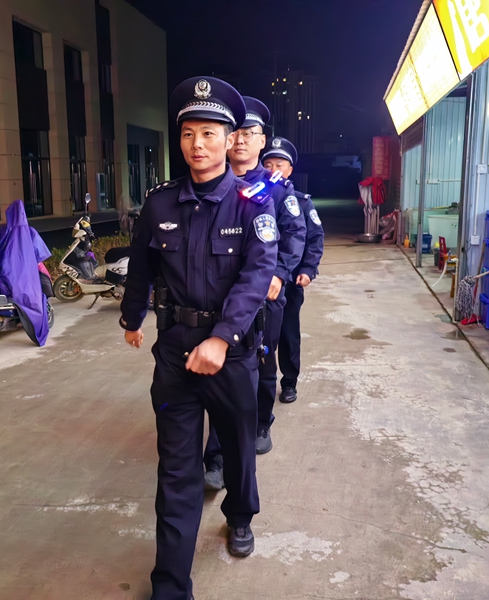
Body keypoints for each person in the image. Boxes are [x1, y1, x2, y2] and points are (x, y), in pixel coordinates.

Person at [120, 77, 278, 600]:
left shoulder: (253, 204)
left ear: (230, 139)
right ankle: (170, 586)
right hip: (174, 353)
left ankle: (240, 515)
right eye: (189, 133)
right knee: (176, 471)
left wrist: (223, 338)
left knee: (237, 449)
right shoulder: (160, 204)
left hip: (232, 354)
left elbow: (257, 275)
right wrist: (132, 317)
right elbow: (141, 267)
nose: (198, 144)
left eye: (209, 133)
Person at [203, 97, 306, 488]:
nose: (242, 140)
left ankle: (262, 423)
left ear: (263, 141)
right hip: (222, 299)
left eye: (251, 133)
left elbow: (294, 234)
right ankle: (216, 458)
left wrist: (280, 274)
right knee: (221, 374)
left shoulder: (277, 190)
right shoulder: (212, 184)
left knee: (262, 364)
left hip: (265, 297)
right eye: (238, 133)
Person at [262, 137, 325, 403]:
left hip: (289, 279)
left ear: (289, 170)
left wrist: (308, 269)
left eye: (279, 165)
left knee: (288, 332)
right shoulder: (254, 197)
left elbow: (314, 238)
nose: (273, 170)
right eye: (268, 165)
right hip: (259, 279)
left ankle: (289, 382)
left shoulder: (301, 202)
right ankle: (259, 382)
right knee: (260, 335)